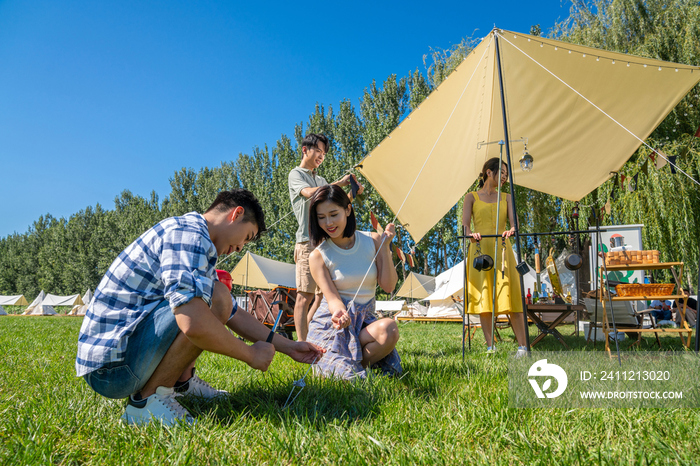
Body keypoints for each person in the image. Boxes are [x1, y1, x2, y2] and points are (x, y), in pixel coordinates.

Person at [76, 189, 324, 426]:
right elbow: (193, 322)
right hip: (112, 369)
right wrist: (250, 355)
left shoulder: (195, 238)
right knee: (215, 296)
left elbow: (233, 313)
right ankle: (147, 403)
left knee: (217, 297)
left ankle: (182, 383)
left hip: (116, 360)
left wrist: (289, 347)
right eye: (246, 237)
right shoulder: (190, 234)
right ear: (236, 214)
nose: (240, 248)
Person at [305, 184, 401, 380]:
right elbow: (331, 298)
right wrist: (339, 312)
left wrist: (385, 247)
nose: (328, 223)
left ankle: (358, 366)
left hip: (365, 323)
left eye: (333, 214)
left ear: (347, 210)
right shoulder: (317, 256)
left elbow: (389, 286)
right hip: (334, 325)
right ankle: (351, 369)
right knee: (345, 378)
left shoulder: (372, 240)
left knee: (389, 329)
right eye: (321, 217)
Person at [288, 133, 363, 341]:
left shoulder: (320, 178)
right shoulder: (296, 174)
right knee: (305, 295)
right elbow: (310, 193)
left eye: (324, 153)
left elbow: (334, 207)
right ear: (305, 150)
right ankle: (301, 345)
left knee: (322, 296)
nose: (321, 156)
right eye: (318, 151)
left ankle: (312, 338)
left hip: (325, 244)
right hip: (306, 242)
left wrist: (351, 193)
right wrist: (339, 183)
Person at [462, 157, 528, 355]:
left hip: (502, 249)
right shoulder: (470, 197)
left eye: (507, 175)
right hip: (480, 249)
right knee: (484, 298)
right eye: (503, 173)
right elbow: (465, 227)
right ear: (489, 172)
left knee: (512, 296)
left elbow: (515, 225)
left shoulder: (507, 197)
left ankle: (523, 347)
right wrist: (470, 235)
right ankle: (491, 347)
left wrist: (512, 230)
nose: (505, 178)